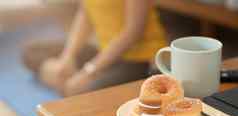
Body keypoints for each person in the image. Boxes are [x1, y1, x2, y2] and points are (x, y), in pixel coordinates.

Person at [23, 0, 167, 96]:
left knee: (82, 93)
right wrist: (67, 57)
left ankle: (62, 80)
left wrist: (89, 72)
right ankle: (63, 76)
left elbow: (133, 32)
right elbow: (85, 13)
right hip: (104, 51)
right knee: (31, 52)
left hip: (138, 60)